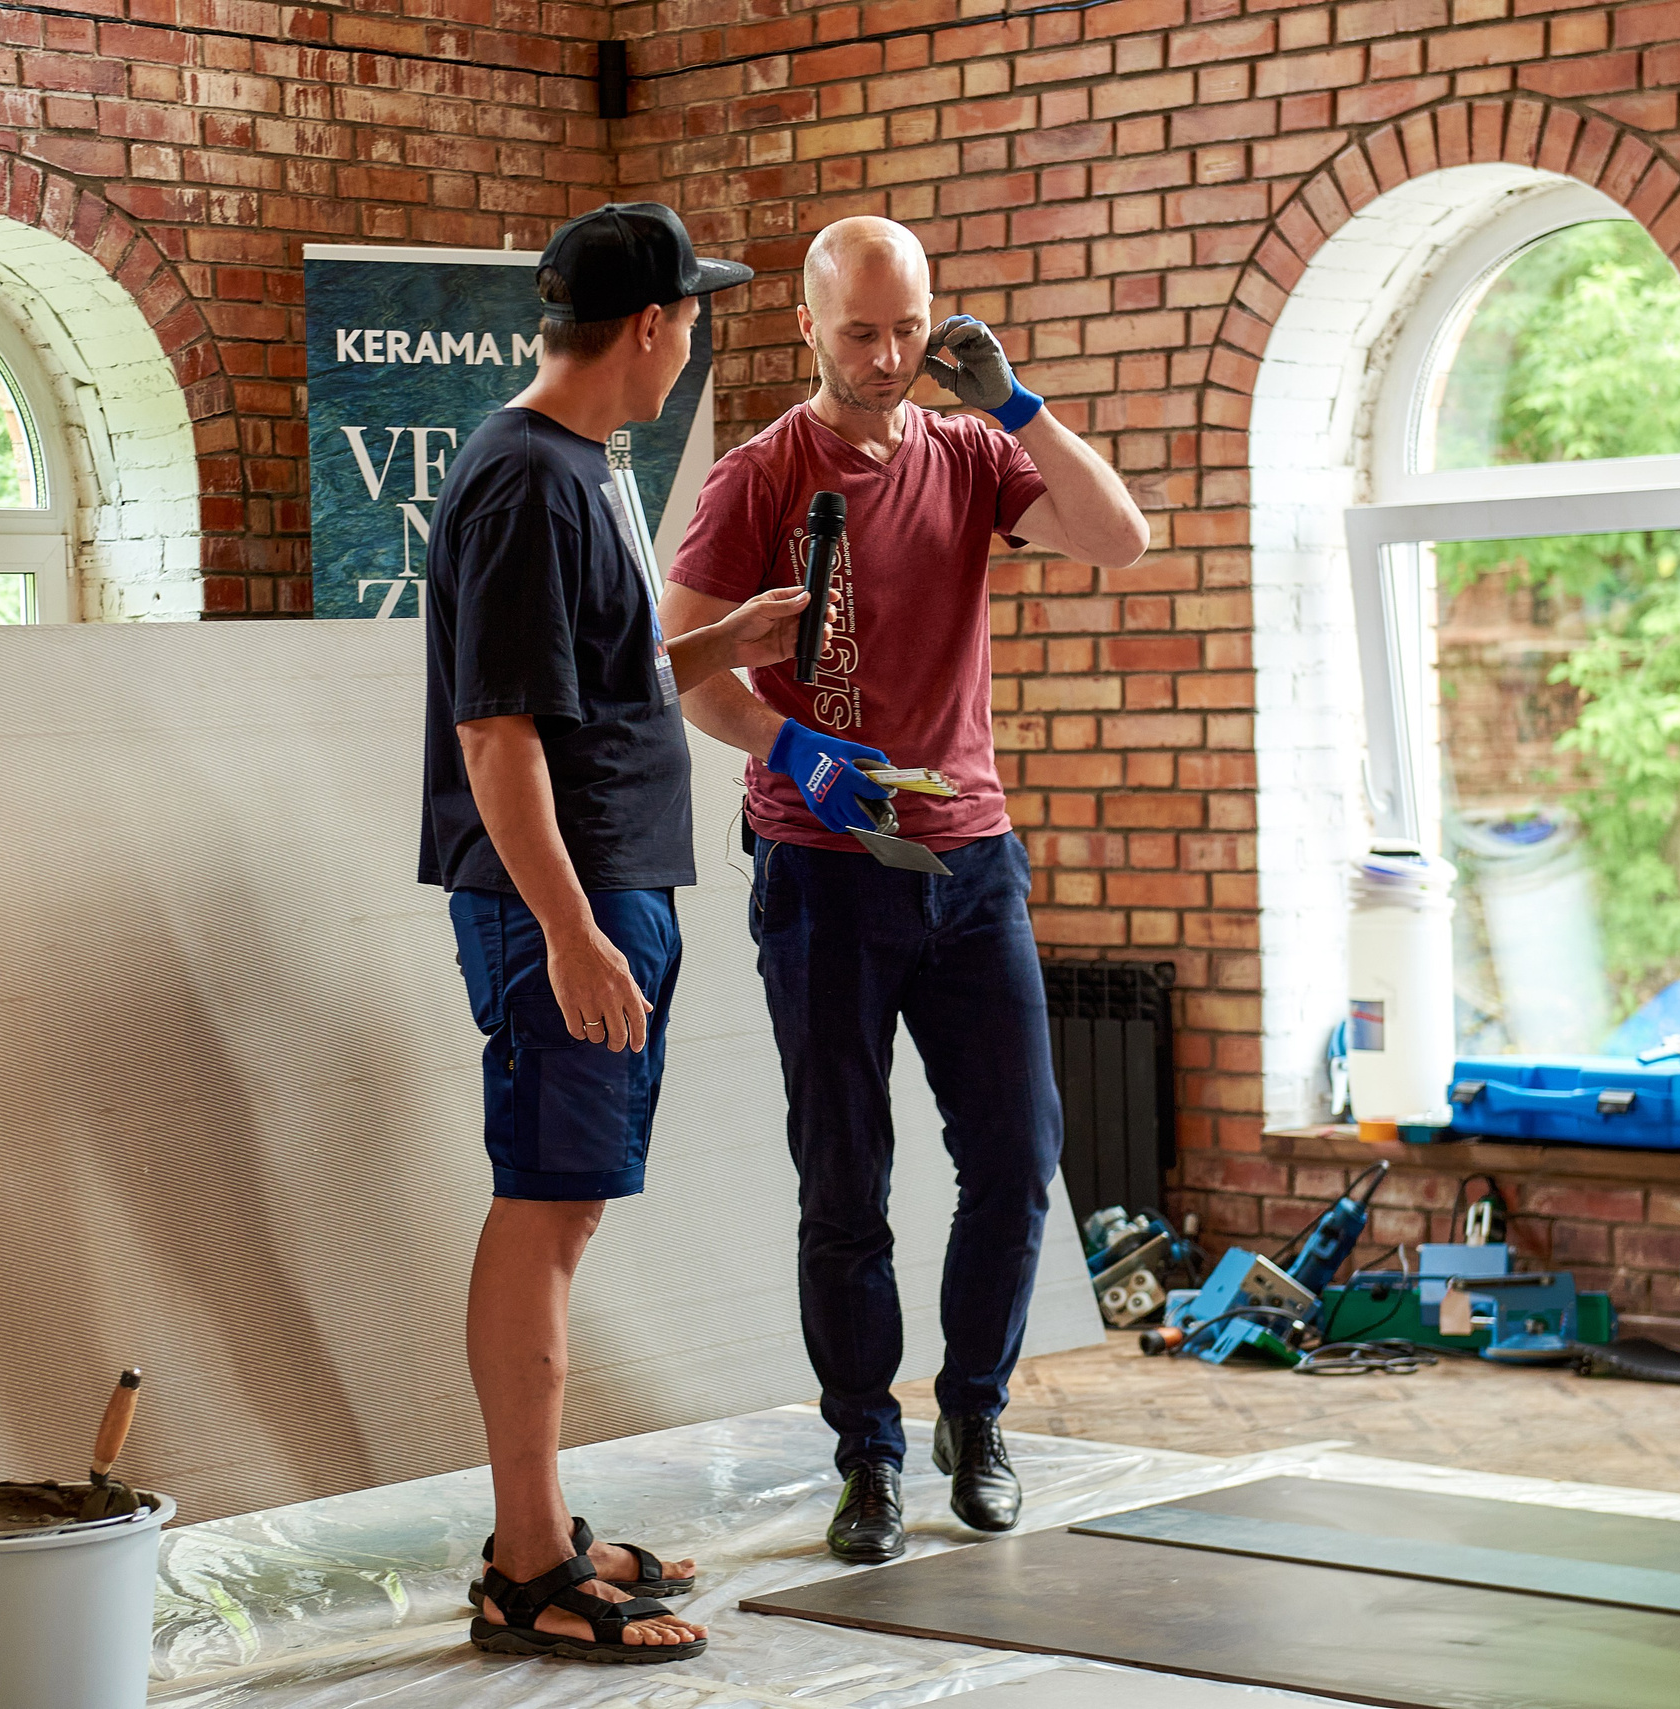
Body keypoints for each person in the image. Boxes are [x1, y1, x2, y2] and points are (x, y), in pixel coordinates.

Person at [661, 215, 1149, 1563]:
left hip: (970, 858)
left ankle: (973, 1419)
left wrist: (1023, 406)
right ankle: (867, 1455)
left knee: (1018, 1153)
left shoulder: (975, 452)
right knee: (847, 1179)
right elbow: (682, 663)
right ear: (809, 330)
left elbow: (1121, 539)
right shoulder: (762, 475)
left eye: (908, 329)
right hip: (823, 870)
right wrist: (786, 748)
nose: (887, 359)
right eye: (860, 332)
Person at [419, 203, 824, 1664]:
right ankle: (525, 1565)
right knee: (542, 1203)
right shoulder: (525, 480)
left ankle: (542, 1526)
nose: (698, 337)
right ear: (649, 325)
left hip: (610, 890)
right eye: (693, 315)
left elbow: (599, 672)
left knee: (569, 1201)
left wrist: (729, 640)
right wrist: (573, 932)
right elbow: (499, 733)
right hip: (565, 905)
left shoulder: (586, 468)